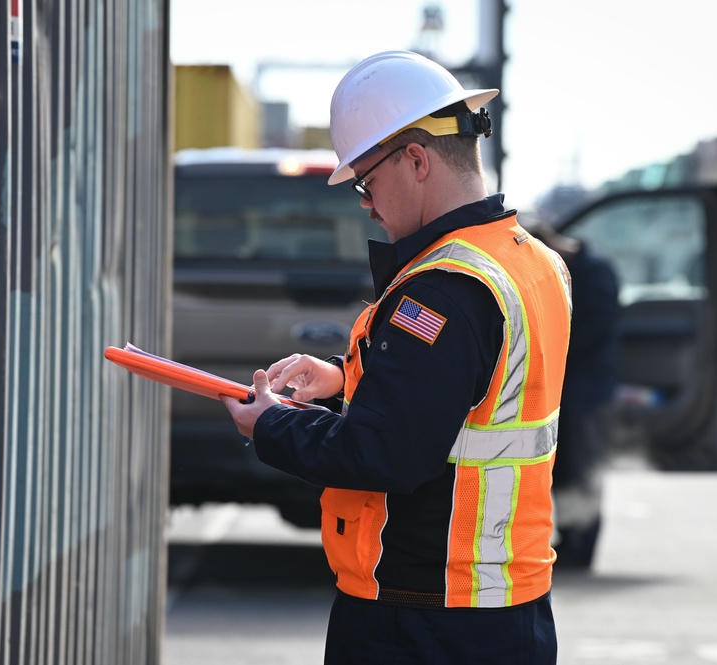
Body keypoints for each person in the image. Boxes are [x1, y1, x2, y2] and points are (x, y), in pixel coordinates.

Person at [221, 51, 572, 664]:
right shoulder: (533, 263)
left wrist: (271, 425)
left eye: (366, 180)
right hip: (513, 611)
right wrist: (340, 380)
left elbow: (385, 452)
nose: (365, 201)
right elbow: (470, 401)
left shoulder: (442, 288)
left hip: (423, 619)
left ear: (415, 160)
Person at [529, 223, 620, 570]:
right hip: (569, 387)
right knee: (566, 467)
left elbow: (588, 332)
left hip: (589, 389)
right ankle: (570, 539)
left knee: (583, 468)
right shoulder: (578, 270)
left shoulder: (595, 273)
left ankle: (582, 547)